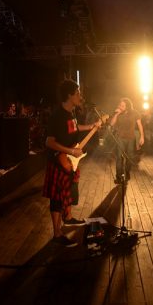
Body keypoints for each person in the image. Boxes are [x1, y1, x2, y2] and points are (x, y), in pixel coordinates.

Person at [43, 80, 102, 247]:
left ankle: (67, 218)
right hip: (59, 161)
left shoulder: (71, 113)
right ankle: (57, 233)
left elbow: (74, 128)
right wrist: (70, 152)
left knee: (68, 191)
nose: (80, 96)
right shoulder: (57, 115)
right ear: (69, 95)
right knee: (57, 197)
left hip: (70, 160)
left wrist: (92, 126)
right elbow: (49, 142)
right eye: (77, 93)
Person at [109, 97, 144, 184]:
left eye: (123, 105)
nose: (120, 107)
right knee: (119, 158)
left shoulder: (135, 113)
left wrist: (142, 136)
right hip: (120, 138)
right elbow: (111, 123)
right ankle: (118, 177)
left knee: (130, 157)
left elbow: (140, 125)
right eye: (120, 105)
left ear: (127, 106)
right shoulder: (118, 113)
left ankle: (127, 172)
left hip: (131, 138)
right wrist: (116, 114)